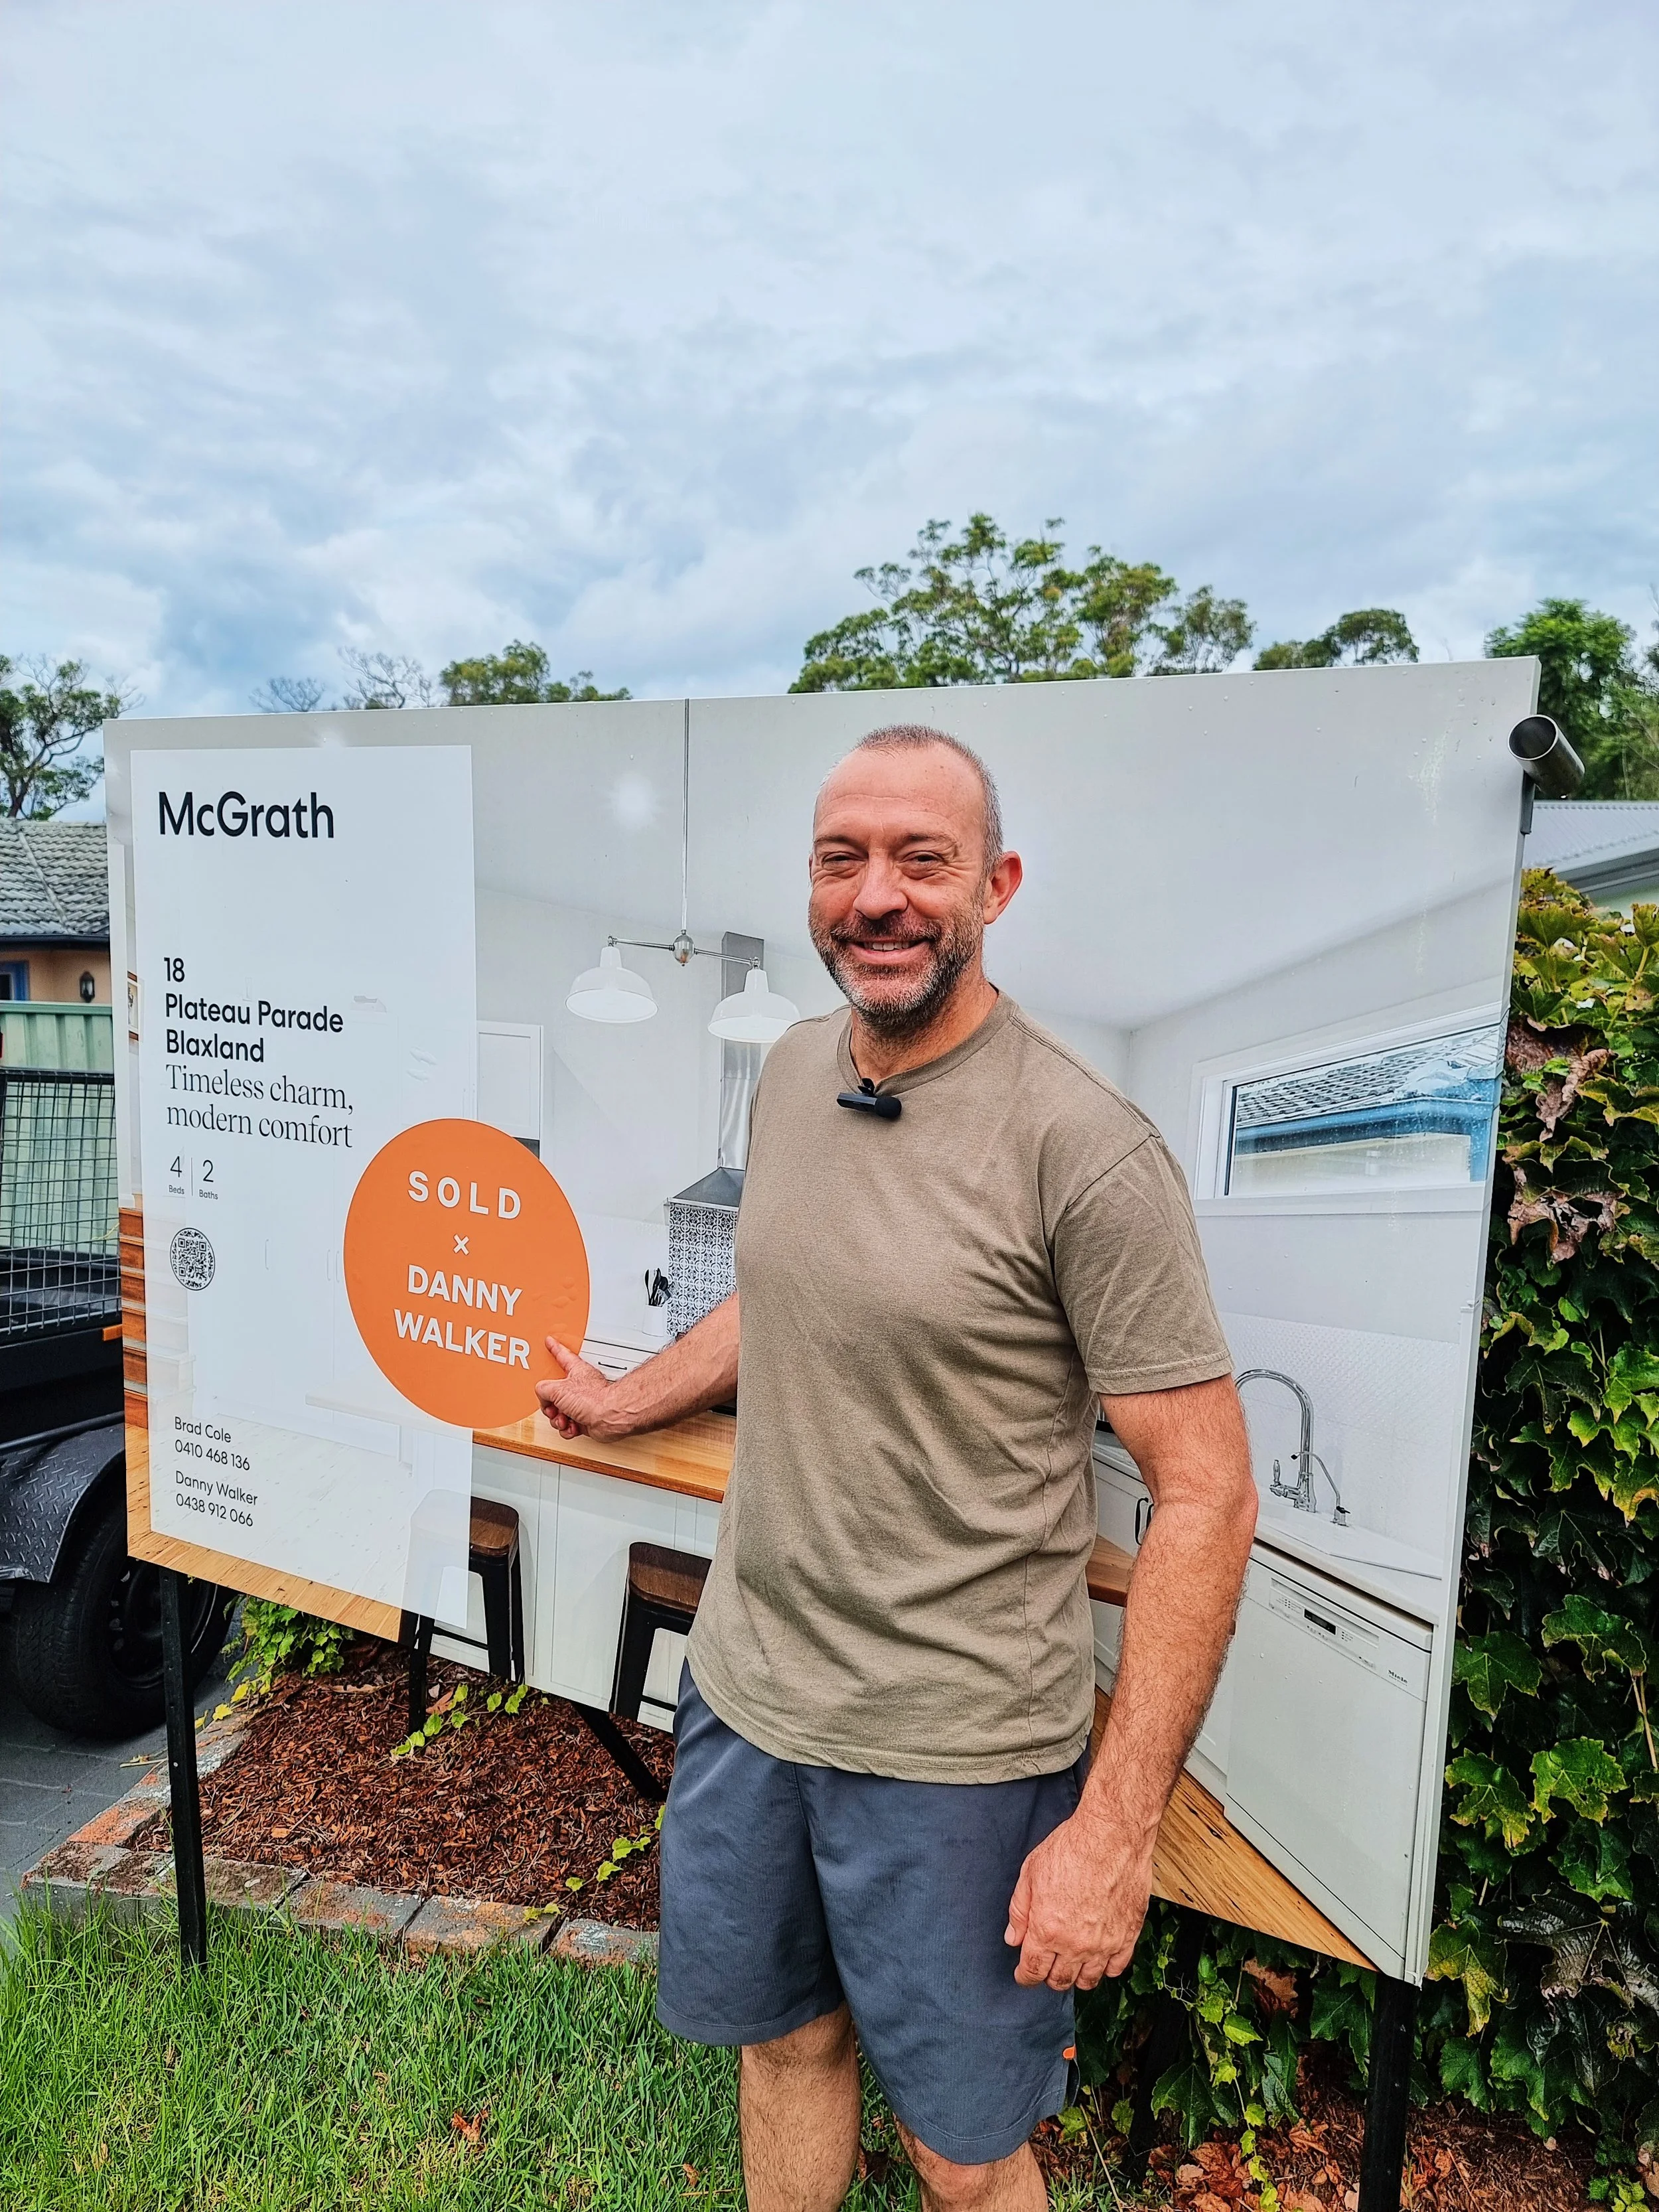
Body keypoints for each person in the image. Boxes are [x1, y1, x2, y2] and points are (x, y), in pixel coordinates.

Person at [538, 724, 1257, 2212]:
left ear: (994, 885)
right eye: (842, 858)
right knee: (784, 2044)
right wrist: (622, 1399)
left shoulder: (1083, 1146)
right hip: (751, 1693)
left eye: (922, 860)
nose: (877, 896)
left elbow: (1206, 1493)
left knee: (961, 2153)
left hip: (956, 1753)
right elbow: (778, 1291)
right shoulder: (795, 1073)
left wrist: (1113, 1832)